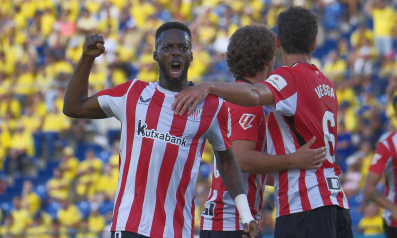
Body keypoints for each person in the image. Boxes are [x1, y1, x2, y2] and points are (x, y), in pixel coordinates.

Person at [62, 22, 259, 238]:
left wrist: (246, 215)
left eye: (182, 48)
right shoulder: (132, 94)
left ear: (191, 56)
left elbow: (227, 160)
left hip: (178, 231)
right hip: (130, 226)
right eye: (167, 47)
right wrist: (87, 58)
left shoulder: (211, 106)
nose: (175, 52)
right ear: (156, 54)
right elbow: (74, 107)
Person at [172, 7, 352, 238]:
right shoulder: (327, 85)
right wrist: (292, 160)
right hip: (329, 200)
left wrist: (210, 86)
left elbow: (254, 100)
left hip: (303, 204)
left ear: (279, 41)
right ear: (314, 43)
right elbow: (242, 159)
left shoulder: (276, 87)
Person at [200, 23, 328, 238]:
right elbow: (241, 160)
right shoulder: (247, 104)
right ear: (270, 62)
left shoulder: (233, 98)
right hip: (232, 223)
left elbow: (253, 171)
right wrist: (293, 159)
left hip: (229, 220)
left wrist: (295, 172)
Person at [363, 91, 397, 238]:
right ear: (396, 116)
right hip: (396, 223)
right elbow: (368, 188)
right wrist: (395, 209)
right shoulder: (387, 146)